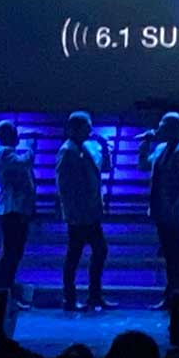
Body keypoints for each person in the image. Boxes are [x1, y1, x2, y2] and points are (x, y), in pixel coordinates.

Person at [55, 111, 116, 312]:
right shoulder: (67, 151)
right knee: (75, 256)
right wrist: (70, 213)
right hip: (79, 215)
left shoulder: (88, 147)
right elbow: (64, 186)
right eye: (87, 127)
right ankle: (72, 298)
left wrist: (105, 148)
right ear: (75, 128)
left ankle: (93, 296)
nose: (90, 131)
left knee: (96, 251)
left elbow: (104, 168)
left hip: (90, 212)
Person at [137, 112, 179, 310]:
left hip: (174, 213)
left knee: (178, 256)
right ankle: (171, 296)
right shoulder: (161, 148)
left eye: (163, 127)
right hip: (161, 211)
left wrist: (176, 208)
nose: (159, 130)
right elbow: (144, 165)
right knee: (170, 256)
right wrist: (145, 144)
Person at [0, 120, 36, 310]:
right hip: (11, 210)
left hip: (17, 209)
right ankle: (0, 294)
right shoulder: (4, 153)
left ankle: (7, 295)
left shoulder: (8, 153)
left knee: (14, 254)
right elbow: (24, 162)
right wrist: (31, 147)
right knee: (10, 254)